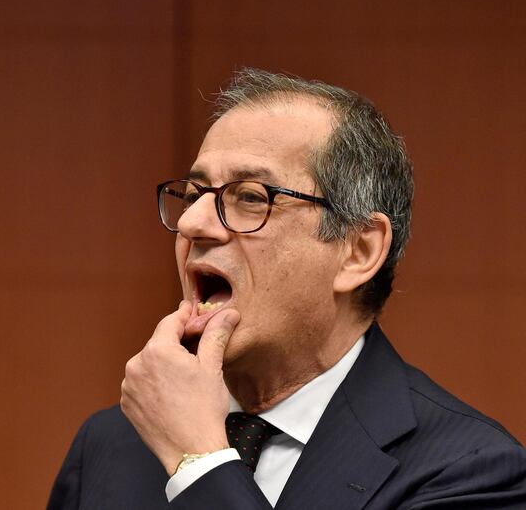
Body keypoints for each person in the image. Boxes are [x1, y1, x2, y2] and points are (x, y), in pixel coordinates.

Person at [47, 69, 526, 509]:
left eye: (251, 197)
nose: (192, 223)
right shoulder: (111, 443)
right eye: (194, 196)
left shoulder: (469, 470)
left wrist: (200, 461)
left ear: (358, 251)